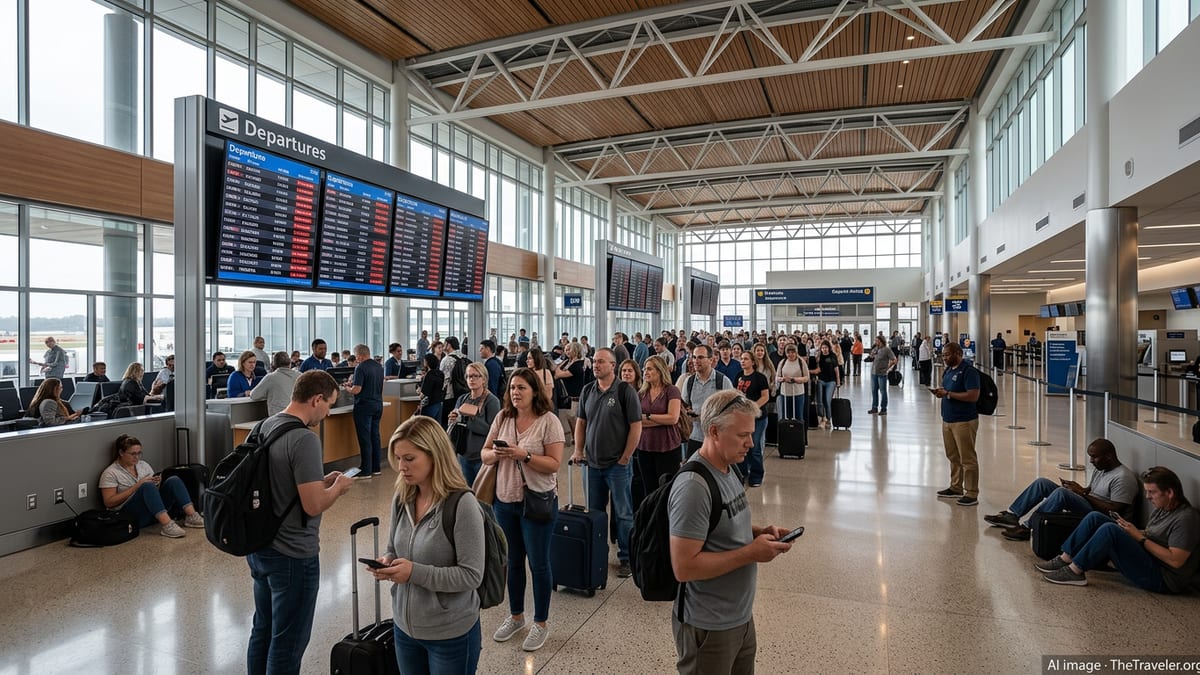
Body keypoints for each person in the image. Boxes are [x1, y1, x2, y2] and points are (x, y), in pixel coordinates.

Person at [668, 389, 794, 674]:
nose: (750, 443)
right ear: (713, 431)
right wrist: (751, 553)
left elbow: (722, 521)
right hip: (708, 625)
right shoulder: (694, 487)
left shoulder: (728, 467)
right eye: (742, 435)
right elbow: (684, 567)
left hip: (739, 616)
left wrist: (760, 532)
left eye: (751, 433)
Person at [245, 370, 354, 674]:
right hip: (294, 553)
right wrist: (338, 488)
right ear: (316, 399)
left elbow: (281, 481)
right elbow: (314, 503)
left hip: (260, 545)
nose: (329, 412)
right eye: (329, 405)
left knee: (262, 630)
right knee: (288, 642)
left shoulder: (264, 426)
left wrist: (320, 480)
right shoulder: (304, 438)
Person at [370, 415, 485, 674]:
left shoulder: (462, 505)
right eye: (398, 458)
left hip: (450, 635)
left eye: (409, 459)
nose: (401, 467)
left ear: (435, 456)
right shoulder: (403, 497)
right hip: (404, 628)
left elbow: (472, 575)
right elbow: (393, 547)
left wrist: (413, 572)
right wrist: (387, 561)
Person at [481, 368, 564, 652]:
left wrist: (523, 455)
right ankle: (516, 616)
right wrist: (498, 454)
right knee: (513, 561)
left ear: (534, 391)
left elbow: (553, 463)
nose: (516, 393)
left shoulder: (548, 421)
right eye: (513, 388)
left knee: (538, 564)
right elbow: (484, 453)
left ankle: (540, 623)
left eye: (522, 388)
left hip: (538, 501)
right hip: (505, 501)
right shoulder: (503, 417)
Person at [1037, 467, 1199, 591]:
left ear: (1170, 492)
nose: (1148, 497)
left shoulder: (1186, 519)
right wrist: (1131, 530)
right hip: (1149, 559)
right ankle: (1065, 558)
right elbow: (1154, 536)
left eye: (1152, 492)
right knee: (1096, 517)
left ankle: (1075, 570)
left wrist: (1139, 537)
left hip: (1163, 579)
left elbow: (1175, 560)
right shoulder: (1163, 508)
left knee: (1110, 529)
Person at [573, 348, 642, 579]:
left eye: (601, 362)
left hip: (618, 465)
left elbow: (636, 426)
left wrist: (625, 457)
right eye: (594, 361)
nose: (595, 365)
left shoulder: (624, 391)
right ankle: (597, 553)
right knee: (595, 511)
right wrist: (577, 450)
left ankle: (626, 558)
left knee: (623, 513)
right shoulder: (587, 390)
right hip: (592, 465)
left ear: (613, 365)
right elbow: (581, 423)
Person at [985, 439, 1139, 541]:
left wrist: (1081, 494)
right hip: (1089, 504)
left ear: (1109, 456)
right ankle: (1013, 515)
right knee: (1042, 483)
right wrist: (1078, 488)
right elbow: (1091, 490)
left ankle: (1029, 528)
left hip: (1100, 516)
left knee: (1061, 494)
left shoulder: (1123, 477)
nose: (1091, 461)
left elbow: (1114, 511)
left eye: (1094, 457)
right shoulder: (1102, 468)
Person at [99, 434, 204, 538]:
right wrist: (138, 485)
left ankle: (191, 516)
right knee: (146, 486)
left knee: (173, 480)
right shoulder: (110, 473)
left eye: (139, 453)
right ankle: (167, 525)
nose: (137, 457)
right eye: (133, 454)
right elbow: (109, 502)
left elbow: (152, 493)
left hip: (152, 511)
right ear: (121, 453)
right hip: (130, 516)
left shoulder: (143, 465)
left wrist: (157, 483)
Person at [931, 342, 981, 506]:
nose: (944, 357)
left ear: (958, 353)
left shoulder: (968, 371)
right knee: (953, 455)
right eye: (943, 355)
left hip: (964, 420)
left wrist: (949, 394)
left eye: (947, 354)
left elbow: (973, 396)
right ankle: (956, 486)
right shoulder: (948, 370)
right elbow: (947, 391)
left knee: (967, 457)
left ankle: (972, 492)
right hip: (948, 419)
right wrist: (942, 393)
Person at [632, 357, 682, 509]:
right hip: (645, 447)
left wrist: (647, 417)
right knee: (649, 490)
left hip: (667, 447)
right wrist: (661, 419)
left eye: (649, 369)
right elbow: (636, 420)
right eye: (645, 369)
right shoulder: (642, 393)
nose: (645, 372)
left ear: (660, 371)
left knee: (667, 490)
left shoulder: (671, 390)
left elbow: (673, 418)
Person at [448, 361, 501, 487]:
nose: (471, 379)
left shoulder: (492, 401)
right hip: (463, 454)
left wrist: (466, 420)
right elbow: (455, 424)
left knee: (483, 495)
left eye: (475, 376)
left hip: (481, 457)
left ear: (484, 379)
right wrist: (453, 418)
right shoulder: (462, 399)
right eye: (468, 376)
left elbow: (492, 431)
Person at [681, 344, 731, 459]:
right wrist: (688, 413)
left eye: (700, 357)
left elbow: (732, 411)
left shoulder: (723, 381)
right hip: (695, 437)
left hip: (717, 438)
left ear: (711, 360)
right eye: (694, 357)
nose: (696, 361)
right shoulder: (689, 381)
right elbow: (685, 405)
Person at [344, 344, 385, 477]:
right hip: (378, 404)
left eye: (356, 356)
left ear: (360, 355)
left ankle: (366, 469)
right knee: (375, 436)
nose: (356, 359)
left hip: (364, 406)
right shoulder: (379, 366)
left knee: (365, 438)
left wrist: (348, 389)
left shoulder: (360, 367)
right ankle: (376, 467)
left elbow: (357, 389)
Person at [735, 351, 770, 488]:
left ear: (753, 362)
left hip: (757, 418)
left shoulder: (759, 377)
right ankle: (742, 473)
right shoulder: (739, 376)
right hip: (741, 417)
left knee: (754, 446)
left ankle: (756, 475)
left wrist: (752, 408)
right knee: (741, 445)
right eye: (741, 359)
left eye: (746, 359)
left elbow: (765, 397)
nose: (743, 361)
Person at [554, 342, 586, 446]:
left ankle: (578, 439)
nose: (566, 352)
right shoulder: (569, 362)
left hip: (575, 396)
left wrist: (561, 364)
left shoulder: (577, 365)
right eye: (566, 350)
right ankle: (574, 437)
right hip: (568, 396)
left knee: (574, 419)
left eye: (569, 349)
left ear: (575, 350)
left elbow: (557, 374)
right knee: (570, 418)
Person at [251, 352, 300, 416]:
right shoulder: (300, 376)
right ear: (290, 363)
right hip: (299, 417)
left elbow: (254, 395)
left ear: (274, 364)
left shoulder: (270, 377)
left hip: (277, 419)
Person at [776, 344, 809, 424]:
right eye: (788, 352)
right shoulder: (783, 362)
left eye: (792, 352)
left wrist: (794, 379)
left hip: (798, 393)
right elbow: (777, 377)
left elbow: (806, 377)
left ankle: (799, 434)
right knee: (785, 416)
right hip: (785, 393)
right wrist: (782, 379)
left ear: (796, 352)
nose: (790, 354)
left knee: (798, 417)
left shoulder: (801, 362)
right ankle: (787, 434)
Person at [812, 340, 840, 429]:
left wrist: (838, 382)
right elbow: (817, 368)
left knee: (827, 400)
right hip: (821, 380)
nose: (824, 349)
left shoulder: (833, 356)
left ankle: (828, 419)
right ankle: (821, 419)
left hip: (831, 381)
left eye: (826, 347)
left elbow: (836, 369)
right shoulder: (819, 357)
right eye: (823, 348)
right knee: (820, 401)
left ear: (829, 348)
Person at [867, 336, 897, 416]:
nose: (875, 342)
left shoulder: (887, 349)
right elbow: (871, 356)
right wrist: (872, 354)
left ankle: (883, 408)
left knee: (883, 391)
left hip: (882, 374)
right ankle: (874, 407)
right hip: (874, 373)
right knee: (874, 390)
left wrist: (888, 368)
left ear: (881, 341)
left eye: (877, 341)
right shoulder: (876, 348)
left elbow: (894, 360)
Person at [418, 354, 445, 422]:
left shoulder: (429, 375)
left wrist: (417, 397)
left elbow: (424, 393)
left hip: (430, 404)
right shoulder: (440, 373)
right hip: (438, 403)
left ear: (427, 362)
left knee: (426, 426)